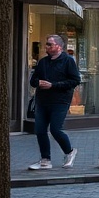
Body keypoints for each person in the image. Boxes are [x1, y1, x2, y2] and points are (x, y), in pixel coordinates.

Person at [28, 34, 81, 170]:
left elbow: (75, 80)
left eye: (50, 44)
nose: (46, 46)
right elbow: (33, 80)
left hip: (60, 101)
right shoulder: (43, 62)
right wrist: (38, 82)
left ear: (58, 46)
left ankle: (69, 152)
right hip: (42, 100)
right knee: (40, 130)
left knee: (56, 129)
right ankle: (45, 160)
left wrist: (53, 85)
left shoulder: (68, 61)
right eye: (47, 44)